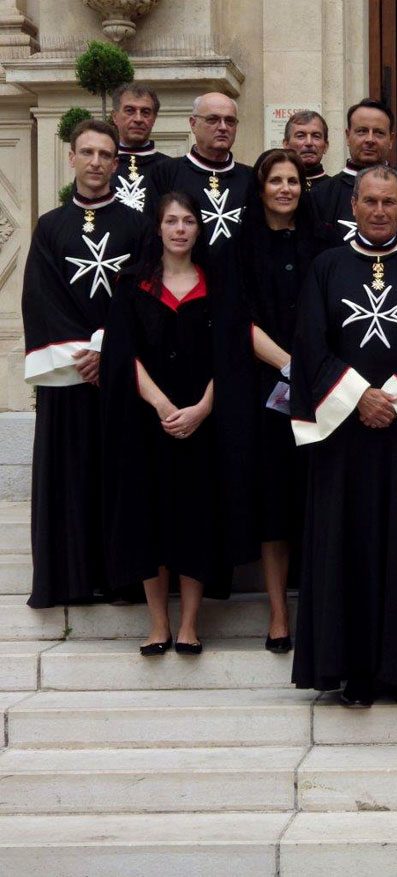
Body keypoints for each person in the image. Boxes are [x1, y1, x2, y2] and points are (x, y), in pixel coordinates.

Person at [290, 164, 397, 707]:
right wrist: (357, 398)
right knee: (351, 548)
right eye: (370, 201)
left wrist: (392, 398)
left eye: (390, 202)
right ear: (353, 205)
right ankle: (354, 672)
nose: (380, 211)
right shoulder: (326, 268)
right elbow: (310, 346)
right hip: (345, 440)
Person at [100, 191, 258, 655]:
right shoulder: (132, 284)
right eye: (171, 221)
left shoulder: (218, 284)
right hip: (147, 422)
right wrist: (161, 405)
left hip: (204, 421)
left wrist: (205, 407)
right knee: (148, 516)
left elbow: (230, 356)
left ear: (199, 228)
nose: (180, 229)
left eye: (189, 220)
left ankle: (189, 623)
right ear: (158, 227)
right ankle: (157, 623)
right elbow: (120, 353)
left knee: (196, 517)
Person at [21, 119, 151, 609]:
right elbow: (40, 296)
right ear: (71, 158)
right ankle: (71, 578)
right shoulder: (50, 226)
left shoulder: (139, 227)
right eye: (88, 152)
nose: (96, 162)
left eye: (105, 154)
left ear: (117, 163)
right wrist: (84, 352)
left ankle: (124, 578)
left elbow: (145, 294)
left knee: (122, 477)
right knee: (71, 475)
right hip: (69, 377)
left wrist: (108, 348)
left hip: (121, 373)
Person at [237, 148, 343, 653]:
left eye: (293, 181)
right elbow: (238, 318)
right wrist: (288, 364)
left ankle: (324, 612)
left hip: (326, 387)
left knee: (319, 501)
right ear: (260, 189)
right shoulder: (237, 245)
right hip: (266, 390)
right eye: (275, 181)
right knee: (274, 503)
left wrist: (313, 369)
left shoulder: (326, 243)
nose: (285, 189)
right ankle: (279, 615)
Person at [150, 93, 252, 256]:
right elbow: (152, 233)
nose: (223, 127)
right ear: (193, 123)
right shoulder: (165, 172)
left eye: (230, 121)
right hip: (185, 278)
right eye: (213, 119)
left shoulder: (251, 177)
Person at [311, 98, 397, 240]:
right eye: (362, 131)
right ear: (347, 136)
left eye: (378, 133)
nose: (370, 139)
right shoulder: (320, 196)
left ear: (391, 140)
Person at [110, 82, 168, 214]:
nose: (138, 119)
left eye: (145, 112)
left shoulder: (170, 169)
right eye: (130, 111)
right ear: (115, 117)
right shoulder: (100, 165)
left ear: (154, 119)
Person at [282, 110, 330, 189]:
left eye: (316, 136)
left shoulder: (337, 188)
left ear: (325, 146)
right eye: (300, 136)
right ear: (286, 145)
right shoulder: (277, 189)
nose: (309, 143)